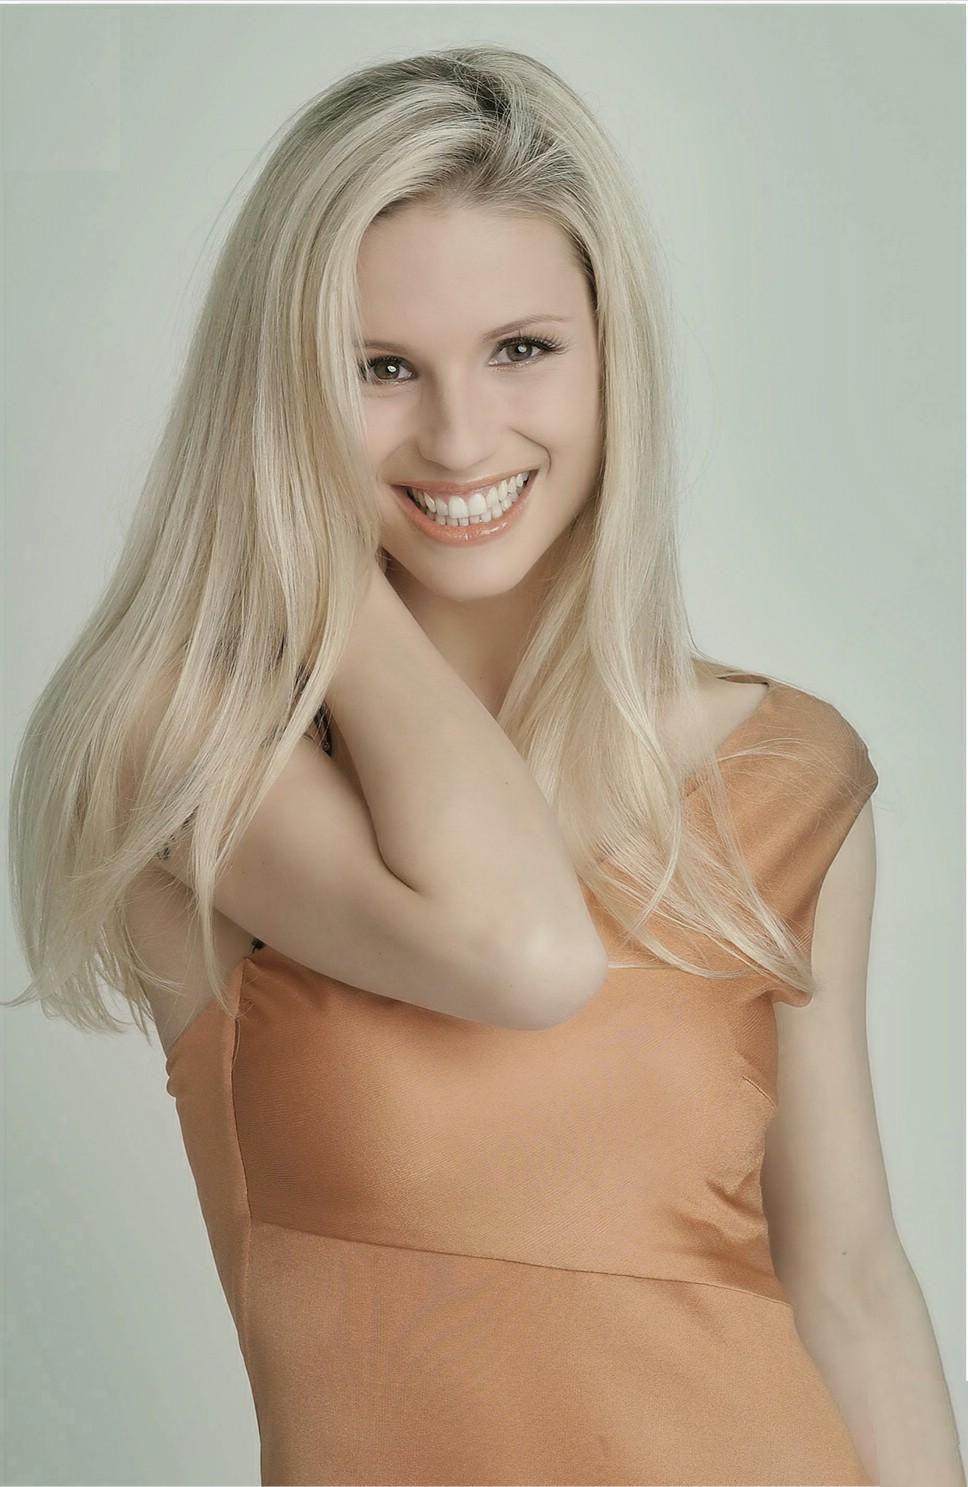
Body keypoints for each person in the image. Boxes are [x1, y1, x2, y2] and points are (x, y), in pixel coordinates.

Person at [7, 44, 963, 1487]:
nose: (459, 436)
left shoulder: (781, 772)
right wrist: (308, 567)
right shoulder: (192, 755)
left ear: (614, 355)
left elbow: (851, 1280)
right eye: (379, 368)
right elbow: (522, 953)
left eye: (522, 349)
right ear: (277, 397)